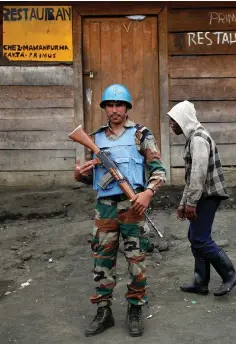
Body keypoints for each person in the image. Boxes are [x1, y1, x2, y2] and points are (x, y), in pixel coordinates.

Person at [74, 84, 166, 337]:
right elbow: (91, 178)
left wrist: (148, 193)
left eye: (119, 105)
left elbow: (159, 171)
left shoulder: (141, 135)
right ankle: (103, 311)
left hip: (133, 207)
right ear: (105, 108)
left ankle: (135, 308)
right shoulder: (94, 138)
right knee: (102, 261)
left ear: (127, 108)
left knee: (136, 261)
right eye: (110, 105)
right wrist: (79, 175)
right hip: (104, 209)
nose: (115, 110)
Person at [167, 100, 236, 297]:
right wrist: (184, 203)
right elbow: (191, 177)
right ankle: (201, 282)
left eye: (174, 121)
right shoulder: (193, 138)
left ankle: (230, 274)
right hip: (202, 195)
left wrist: (190, 203)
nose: (171, 125)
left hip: (207, 196)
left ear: (183, 120)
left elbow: (198, 174)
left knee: (200, 238)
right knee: (195, 237)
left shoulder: (198, 139)